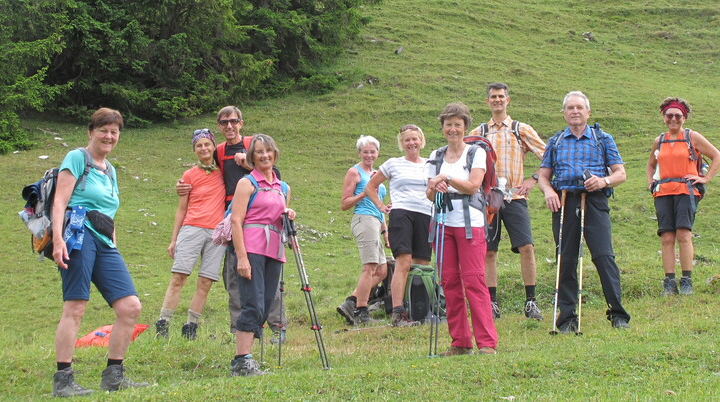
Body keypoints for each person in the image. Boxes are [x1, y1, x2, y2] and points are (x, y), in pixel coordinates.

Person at [50, 108, 147, 396]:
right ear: (91, 132)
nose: (109, 136)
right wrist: (58, 240)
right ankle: (63, 380)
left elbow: (109, 213)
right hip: (78, 237)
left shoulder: (111, 170)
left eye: (114, 131)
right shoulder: (77, 158)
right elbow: (60, 201)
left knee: (130, 307)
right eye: (103, 130)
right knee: (76, 307)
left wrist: (115, 246)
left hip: (105, 243)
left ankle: (114, 376)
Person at [177, 106, 286, 343]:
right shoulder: (219, 150)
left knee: (268, 276)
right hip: (231, 219)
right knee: (235, 277)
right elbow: (206, 169)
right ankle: (240, 327)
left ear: (241, 123)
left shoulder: (253, 145)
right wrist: (184, 186)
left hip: (258, 215)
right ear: (218, 125)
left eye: (233, 121)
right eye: (224, 122)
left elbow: (274, 173)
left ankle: (277, 327)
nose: (229, 126)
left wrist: (247, 164)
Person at [537, 91, 631, 332]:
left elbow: (620, 173)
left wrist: (602, 182)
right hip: (564, 201)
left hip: (594, 201)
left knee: (603, 256)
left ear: (588, 112)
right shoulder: (555, 141)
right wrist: (548, 192)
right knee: (566, 258)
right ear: (564, 113)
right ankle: (567, 318)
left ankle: (618, 313)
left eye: (579, 107)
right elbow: (544, 177)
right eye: (570, 107)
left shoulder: (602, 138)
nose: (575, 111)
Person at [468, 82, 546, 320]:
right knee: (489, 251)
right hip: (487, 198)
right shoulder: (479, 132)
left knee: (527, 247)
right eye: (493, 97)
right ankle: (492, 303)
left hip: (515, 196)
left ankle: (531, 301)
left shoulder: (520, 129)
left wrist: (533, 179)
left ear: (508, 100)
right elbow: (463, 156)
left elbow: (549, 155)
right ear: (487, 101)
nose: (497, 100)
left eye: (501, 96)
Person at [426, 102, 498, 356]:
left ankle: (487, 343)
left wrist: (446, 179)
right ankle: (460, 342)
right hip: (443, 224)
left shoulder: (475, 153)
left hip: (471, 224)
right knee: (449, 283)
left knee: (475, 281)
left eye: (458, 124)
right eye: (448, 125)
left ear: (465, 126)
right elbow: (428, 192)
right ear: (442, 127)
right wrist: (435, 187)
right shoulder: (435, 156)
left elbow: (474, 185)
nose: (453, 129)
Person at [228, 134, 294, 376]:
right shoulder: (246, 183)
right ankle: (241, 360)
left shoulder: (283, 187)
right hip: (252, 248)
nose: (264, 156)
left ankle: (246, 359)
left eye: (268, 151)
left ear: (274, 154)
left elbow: (277, 217)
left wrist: (288, 213)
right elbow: (236, 220)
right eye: (259, 152)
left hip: (274, 250)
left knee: (265, 304)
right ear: (251, 158)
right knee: (252, 303)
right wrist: (242, 257)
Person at [156, 129, 226, 340]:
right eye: (199, 145)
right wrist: (173, 239)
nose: (204, 148)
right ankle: (163, 323)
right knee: (179, 277)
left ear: (214, 147)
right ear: (194, 150)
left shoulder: (224, 171)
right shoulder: (189, 175)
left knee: (205, 281)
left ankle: (191, 327)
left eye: (207, 144)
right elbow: (181, 209)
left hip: (217, 233)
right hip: (192, 228)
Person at [646, 97, 720, 296]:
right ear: (664, 117)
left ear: (684, 118)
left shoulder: (692, 137)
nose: (673, 119)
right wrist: (651, 182)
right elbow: (651, 164)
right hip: (663, 192)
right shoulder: (659, 140)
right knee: (667, 237)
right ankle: (669, 282)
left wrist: (704, 179)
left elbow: (716, 155)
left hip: (686, 191)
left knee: (683, 234)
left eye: (677, 116)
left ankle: (686, 280)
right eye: (669, 115)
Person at [365, 124, 433, 327]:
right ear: (402, 144)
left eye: (415, 139)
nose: (411, 143)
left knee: (422, 265)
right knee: (403, 261)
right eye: (407, 140)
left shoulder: (431, 164)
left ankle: (421, 309)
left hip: (425, 214)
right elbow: (371, 186)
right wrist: (381, 206)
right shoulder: (393, 163)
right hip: (401, 214)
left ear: (421, 141)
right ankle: (398, 312)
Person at [336, 135, 389, 326]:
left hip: (376, 221)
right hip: (363, 219)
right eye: (365, 151)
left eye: (372, 151)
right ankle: (361, 311)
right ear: (359, 153)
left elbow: (379, 205)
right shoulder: (354, 172)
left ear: (377, 153)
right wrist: (364, 193)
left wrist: (385, 231)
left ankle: (350, 302)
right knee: (370, 267)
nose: (369, 155)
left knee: (382, 271)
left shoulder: (377, 174)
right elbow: (344, 204)